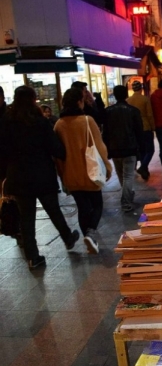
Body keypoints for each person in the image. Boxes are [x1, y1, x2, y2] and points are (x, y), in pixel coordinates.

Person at [0, 86, 79, 269]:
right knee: (54, 210)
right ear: (33, 100)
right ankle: (68, 238)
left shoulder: (5, 122)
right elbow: (55, 148)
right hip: (42, 176)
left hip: (18, 178)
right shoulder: (40, 122)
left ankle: (33, 257)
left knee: (26, 220)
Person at [54, 87, 112, 254]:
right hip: (90, 173)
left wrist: (62, 176)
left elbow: (58, 156)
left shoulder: (59, 124)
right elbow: (99, 147)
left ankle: (90, 241)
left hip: (71, 174)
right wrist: (107, 167)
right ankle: (91, 233)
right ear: (79, 102)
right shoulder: (87, 121)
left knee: (82, 208)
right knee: (97, 205)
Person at [102, 85, 144, 213]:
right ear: (126, 94)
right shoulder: (133, 111)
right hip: (130, 148)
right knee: (128, 176)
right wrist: (140, 149)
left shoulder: (108, 111)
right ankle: (126, 201)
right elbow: (139, 132)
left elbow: (106, 133)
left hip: (115, 149)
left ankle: (127, 196)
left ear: (114, 95)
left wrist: (107, 148)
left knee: (121, 175)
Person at [126, 81, 155, 181]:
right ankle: (143, 167)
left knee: (142, 151)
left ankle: (145, 172)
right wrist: (153, 127)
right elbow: (150, 115)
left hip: (134, 128)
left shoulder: (128, 100)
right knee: (150, 150)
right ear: (141, 88)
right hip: (145, 126)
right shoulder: (145, 99)